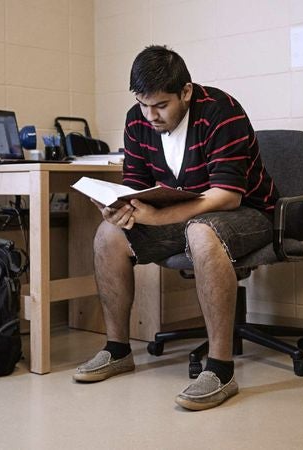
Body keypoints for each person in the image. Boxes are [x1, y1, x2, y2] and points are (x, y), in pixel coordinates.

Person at [74, 45, 278, 411]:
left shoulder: (221, 110)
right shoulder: (138, 119)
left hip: (249, 212)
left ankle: (220, 370)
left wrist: (153, 217)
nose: (150, 115)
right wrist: (119, 208)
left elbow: (226, 197)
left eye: (161, 105)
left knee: (201, 230)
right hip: (186, 213)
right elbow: (135, 185)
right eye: (142, 104)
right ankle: (118, 350)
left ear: (185, 91)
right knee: (109, 235)